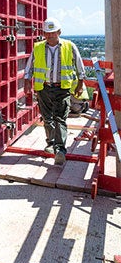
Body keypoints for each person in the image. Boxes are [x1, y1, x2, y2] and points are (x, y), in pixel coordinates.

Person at [23, 17, 86, 165]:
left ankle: (60, 150)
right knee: (47, 118)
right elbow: (29, 66)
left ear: (59, 32)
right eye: (47, 33)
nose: (50, 36)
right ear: (44, 34)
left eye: (53, 32)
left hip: (62, 88)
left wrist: (80, 83)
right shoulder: (38, 47)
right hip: (43, 88)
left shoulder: (69, 46)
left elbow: (79, 65)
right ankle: (51, 143)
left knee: (60, 118)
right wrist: (27, 82)